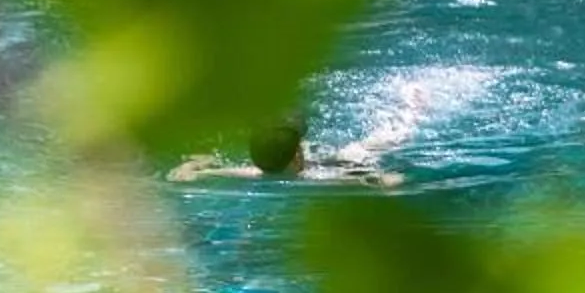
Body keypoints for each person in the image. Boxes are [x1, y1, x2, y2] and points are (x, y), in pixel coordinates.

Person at [168, 116, 407, 186]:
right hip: (343, 162)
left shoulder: (254, 173)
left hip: (330, 164)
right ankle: (410, 112)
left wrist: (192, 169)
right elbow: (379, 180)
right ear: (297, 156)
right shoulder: (318, 178)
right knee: (364, 148)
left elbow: (218, 172)